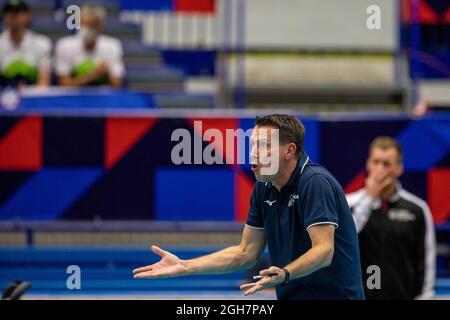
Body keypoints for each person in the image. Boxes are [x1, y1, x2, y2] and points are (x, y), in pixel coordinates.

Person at [133, 114, 365, 300]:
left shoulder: (315, 182)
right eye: (252, 144)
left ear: (289, 150)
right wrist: (185, 266)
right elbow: (246, 253)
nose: (253, 153)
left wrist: (285, 273)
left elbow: (324, 251)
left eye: (264, 146)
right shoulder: (263, 187)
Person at [346, 136, 436, 300]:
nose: (380, 169)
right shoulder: (348, 203)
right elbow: (343, 239)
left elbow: (426, 261)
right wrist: (369, 199)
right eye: (376, 162)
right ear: (368, 164)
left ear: (399, 168)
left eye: (386, 164)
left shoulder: (417, 209)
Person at [55, 4, 124, 87]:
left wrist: (107, 72)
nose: (86, 30)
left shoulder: (113, 46)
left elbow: (117, 84)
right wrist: (92, 75)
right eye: (83, 25)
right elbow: (63, 84)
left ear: (100, 27)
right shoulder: (65, 45)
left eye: (91, 26)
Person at [0, 0, 51, 86]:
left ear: (28, 16)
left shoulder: (41, 43)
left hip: (33, 96)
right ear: (4, 17)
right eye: (10, 13)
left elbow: (43, 82)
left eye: (19, 13)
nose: (14, 17)